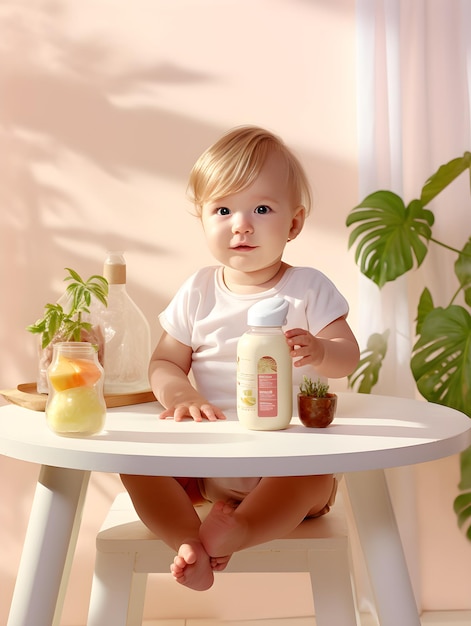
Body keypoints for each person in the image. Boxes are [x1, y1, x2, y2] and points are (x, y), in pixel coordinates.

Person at [121, 125, 360, 592]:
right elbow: (164, 363)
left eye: (262, 209)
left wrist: (320, 350)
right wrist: (182, 393)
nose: (241, 224)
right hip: (209, 463)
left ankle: (240, 531)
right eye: (223, 209)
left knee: (311, 476)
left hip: (287, 462)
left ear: (293, 223)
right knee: (136, 466)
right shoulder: (198, 291)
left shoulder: (308, 288)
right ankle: (188, 540)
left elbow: (348, 357)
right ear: (204, 220)